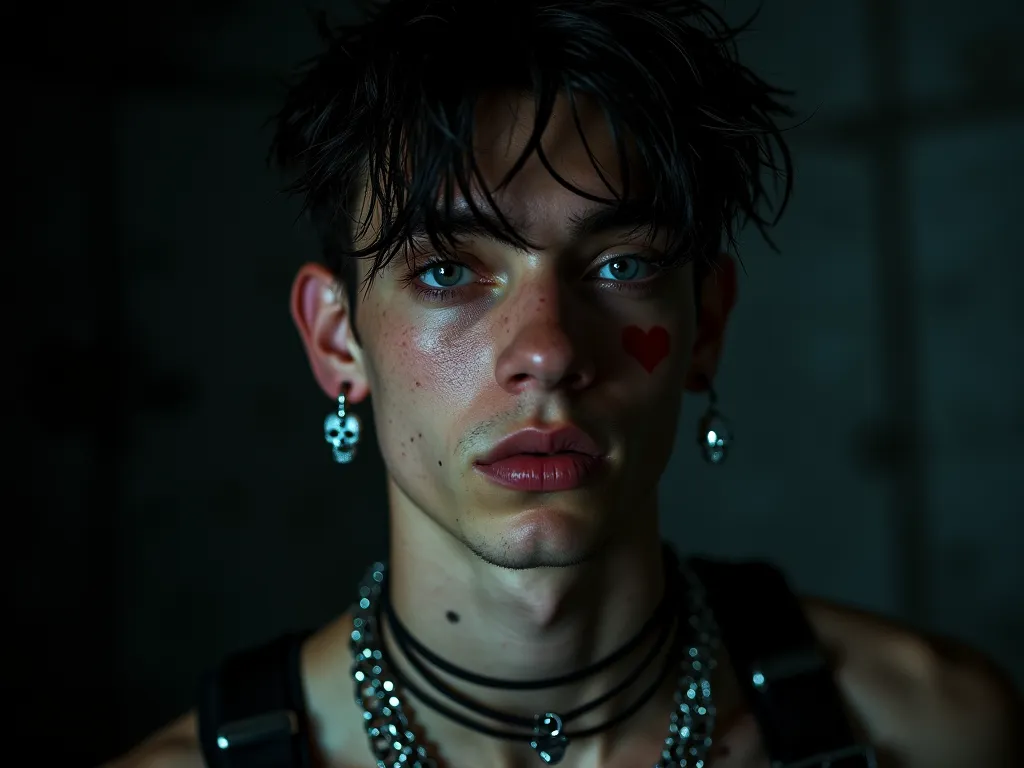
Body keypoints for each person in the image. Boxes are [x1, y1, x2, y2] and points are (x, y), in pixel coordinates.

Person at [106, 1, 1022, 766]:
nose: (545, 351)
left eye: (621, 266)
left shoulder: (929, 729)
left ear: (705, 324)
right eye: (444, 272)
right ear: (336, 339)